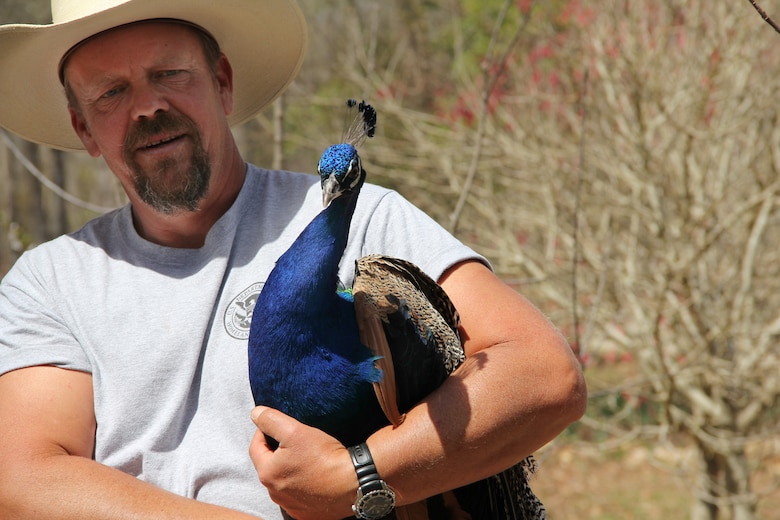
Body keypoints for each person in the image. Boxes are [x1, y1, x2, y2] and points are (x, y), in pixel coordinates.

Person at [0, 1, 587, 519]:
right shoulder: (49, 280)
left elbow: (542, 375)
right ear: (83, 126)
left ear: (222, 82)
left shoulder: (358, 218)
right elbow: (24, 479)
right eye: (111, 92)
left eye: (169, 74)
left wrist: (358, 475)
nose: (148, 107)